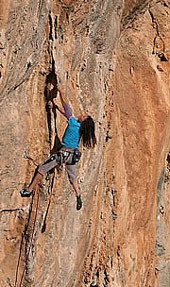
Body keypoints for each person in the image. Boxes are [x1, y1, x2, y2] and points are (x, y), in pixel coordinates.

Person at [20, 84, 97, 210]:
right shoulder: (79, 128)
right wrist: (55, 107)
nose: (82, 114)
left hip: (62, 154)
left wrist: (61, 91)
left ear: (83, 121)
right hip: (73, 156)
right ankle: (78, 193)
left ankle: (29, 190)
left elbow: (66, 107)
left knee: (41, 169)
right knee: (73, 178)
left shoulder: (74, 123)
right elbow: (66, 113)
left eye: (84, 116)